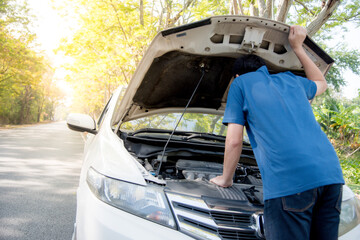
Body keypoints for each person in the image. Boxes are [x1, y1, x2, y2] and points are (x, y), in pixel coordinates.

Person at [210, 25, 344, 240]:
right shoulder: (291, 80)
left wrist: (226, 180)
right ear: (265, 68)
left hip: (291, 181)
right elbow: (321, 83)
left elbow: (234, 141)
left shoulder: (241, 84)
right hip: (331, 177)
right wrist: (298, 47)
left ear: (236, 75)